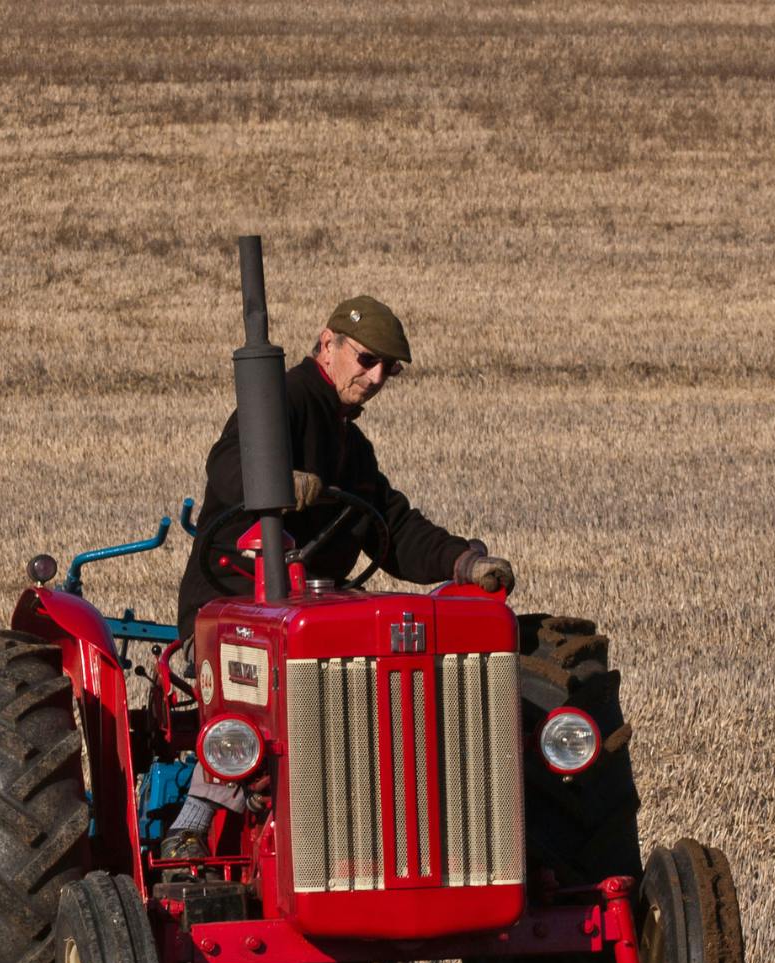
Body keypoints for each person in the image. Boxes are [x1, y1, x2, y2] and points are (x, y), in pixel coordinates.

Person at [162, 294, 517, 861]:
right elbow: (228, 466)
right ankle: (193, 821)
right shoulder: (284, 400)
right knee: (255, 671)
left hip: (310, 615)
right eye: (366, 359)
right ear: (327, 343)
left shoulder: (351, 445)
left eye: (387, 370)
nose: (375, 377)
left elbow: (392, 528)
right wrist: (276, 480)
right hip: (233, 607)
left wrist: (462, 562)